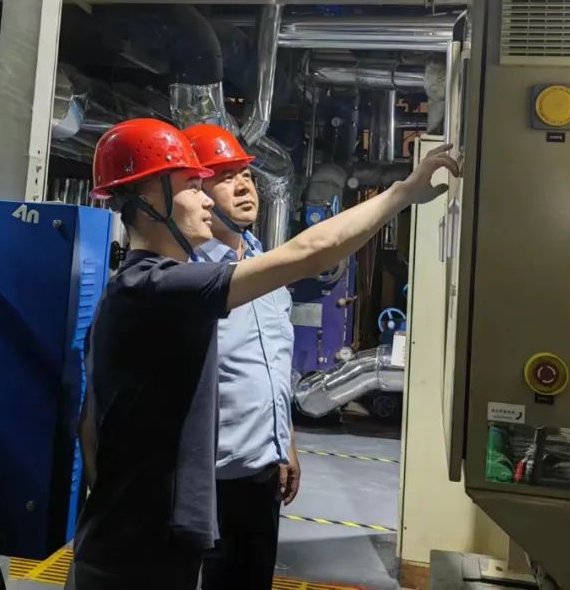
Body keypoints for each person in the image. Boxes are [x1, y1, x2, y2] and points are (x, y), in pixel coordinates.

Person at [68, 118, 458, 590]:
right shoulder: (159, 287)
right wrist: (403, 193)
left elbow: (90, 426)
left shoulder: (147, 287)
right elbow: (312, 251)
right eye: (193, 186)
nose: (207, 201)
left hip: (148, 537)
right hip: (134, 550)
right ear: (151, 200)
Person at [183, 124, 299, 590]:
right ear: (196, 193)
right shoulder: (187, 276)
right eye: (226, 177)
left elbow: (274, 363)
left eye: (247, 176)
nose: (245, 186)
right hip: (206, 484)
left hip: (262, 477)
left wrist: (286, 442)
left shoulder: (265, 267)